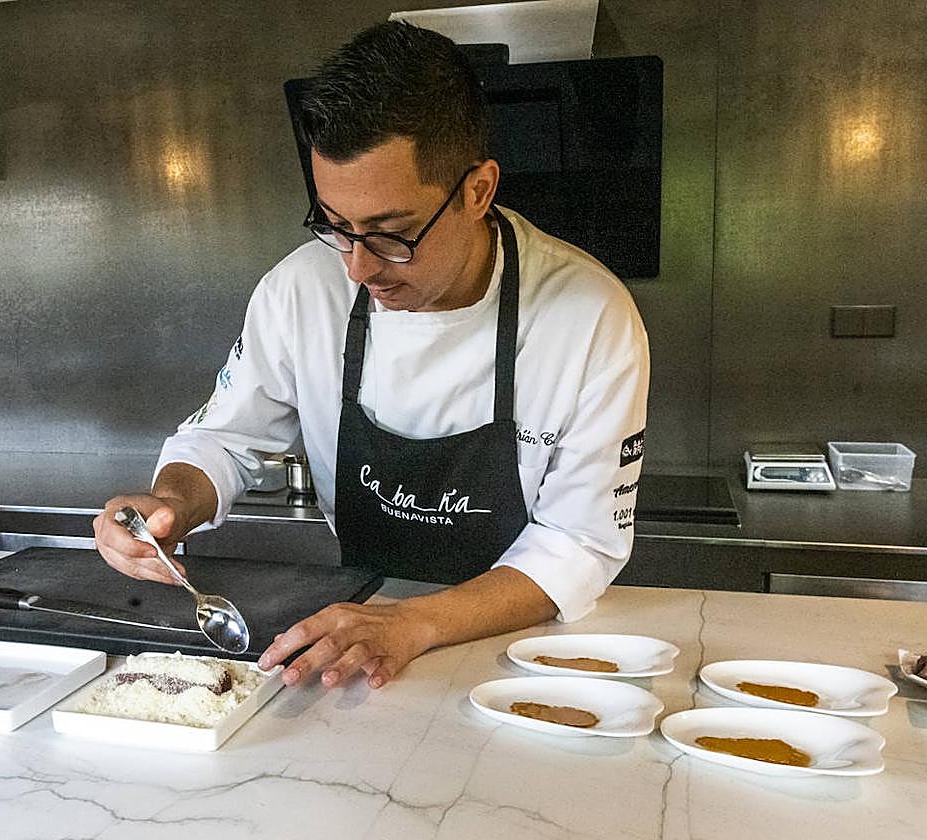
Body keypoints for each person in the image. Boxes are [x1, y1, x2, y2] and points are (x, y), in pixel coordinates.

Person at [93, 21, 650, 692]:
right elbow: (222, 439)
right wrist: (169, 504)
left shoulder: (589, 316)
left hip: (525, 657)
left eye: (391, 234)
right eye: (336, 225)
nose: (357, 267)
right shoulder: (301, 290)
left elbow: (579, 543)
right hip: (358, 647)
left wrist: (416, 622)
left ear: (478, 191)